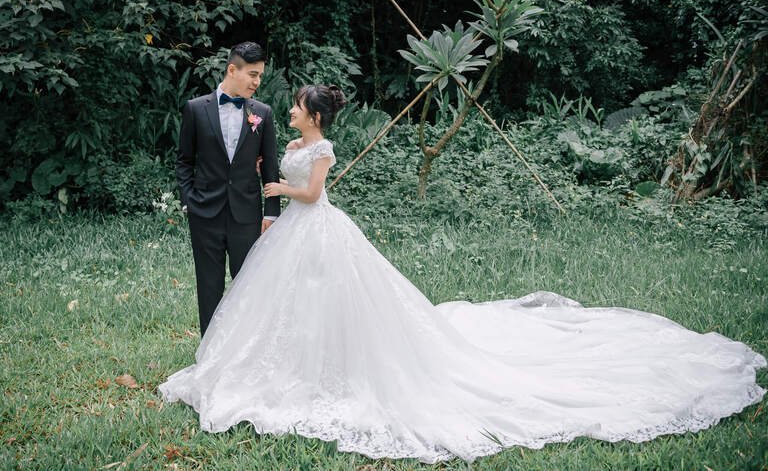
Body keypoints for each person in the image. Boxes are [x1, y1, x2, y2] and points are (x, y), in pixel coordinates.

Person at [160, 84, 766, 464]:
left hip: (315, 228)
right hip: (290, 234)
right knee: (287, 303)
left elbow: (314, 195)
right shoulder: (293, 141)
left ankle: (330, 369)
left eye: (297, 106)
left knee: (331, 299)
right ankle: (289, 363)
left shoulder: (320, 149)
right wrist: (269, 193)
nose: (289, 109)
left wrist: (279, 191)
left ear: (312, 116)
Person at [176, 42, 280, 337]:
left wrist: (271, 213)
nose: (257, 82)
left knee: (248, 284)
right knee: (208, 285)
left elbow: (270, 167)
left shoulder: (262, 113)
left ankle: (244, 348)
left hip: (246, 214)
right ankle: (210, 351)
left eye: (260, 76)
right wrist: (189, 201)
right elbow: (184, 161)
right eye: (252, 74)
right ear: (232, 70)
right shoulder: (196, 109)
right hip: (205, 212)